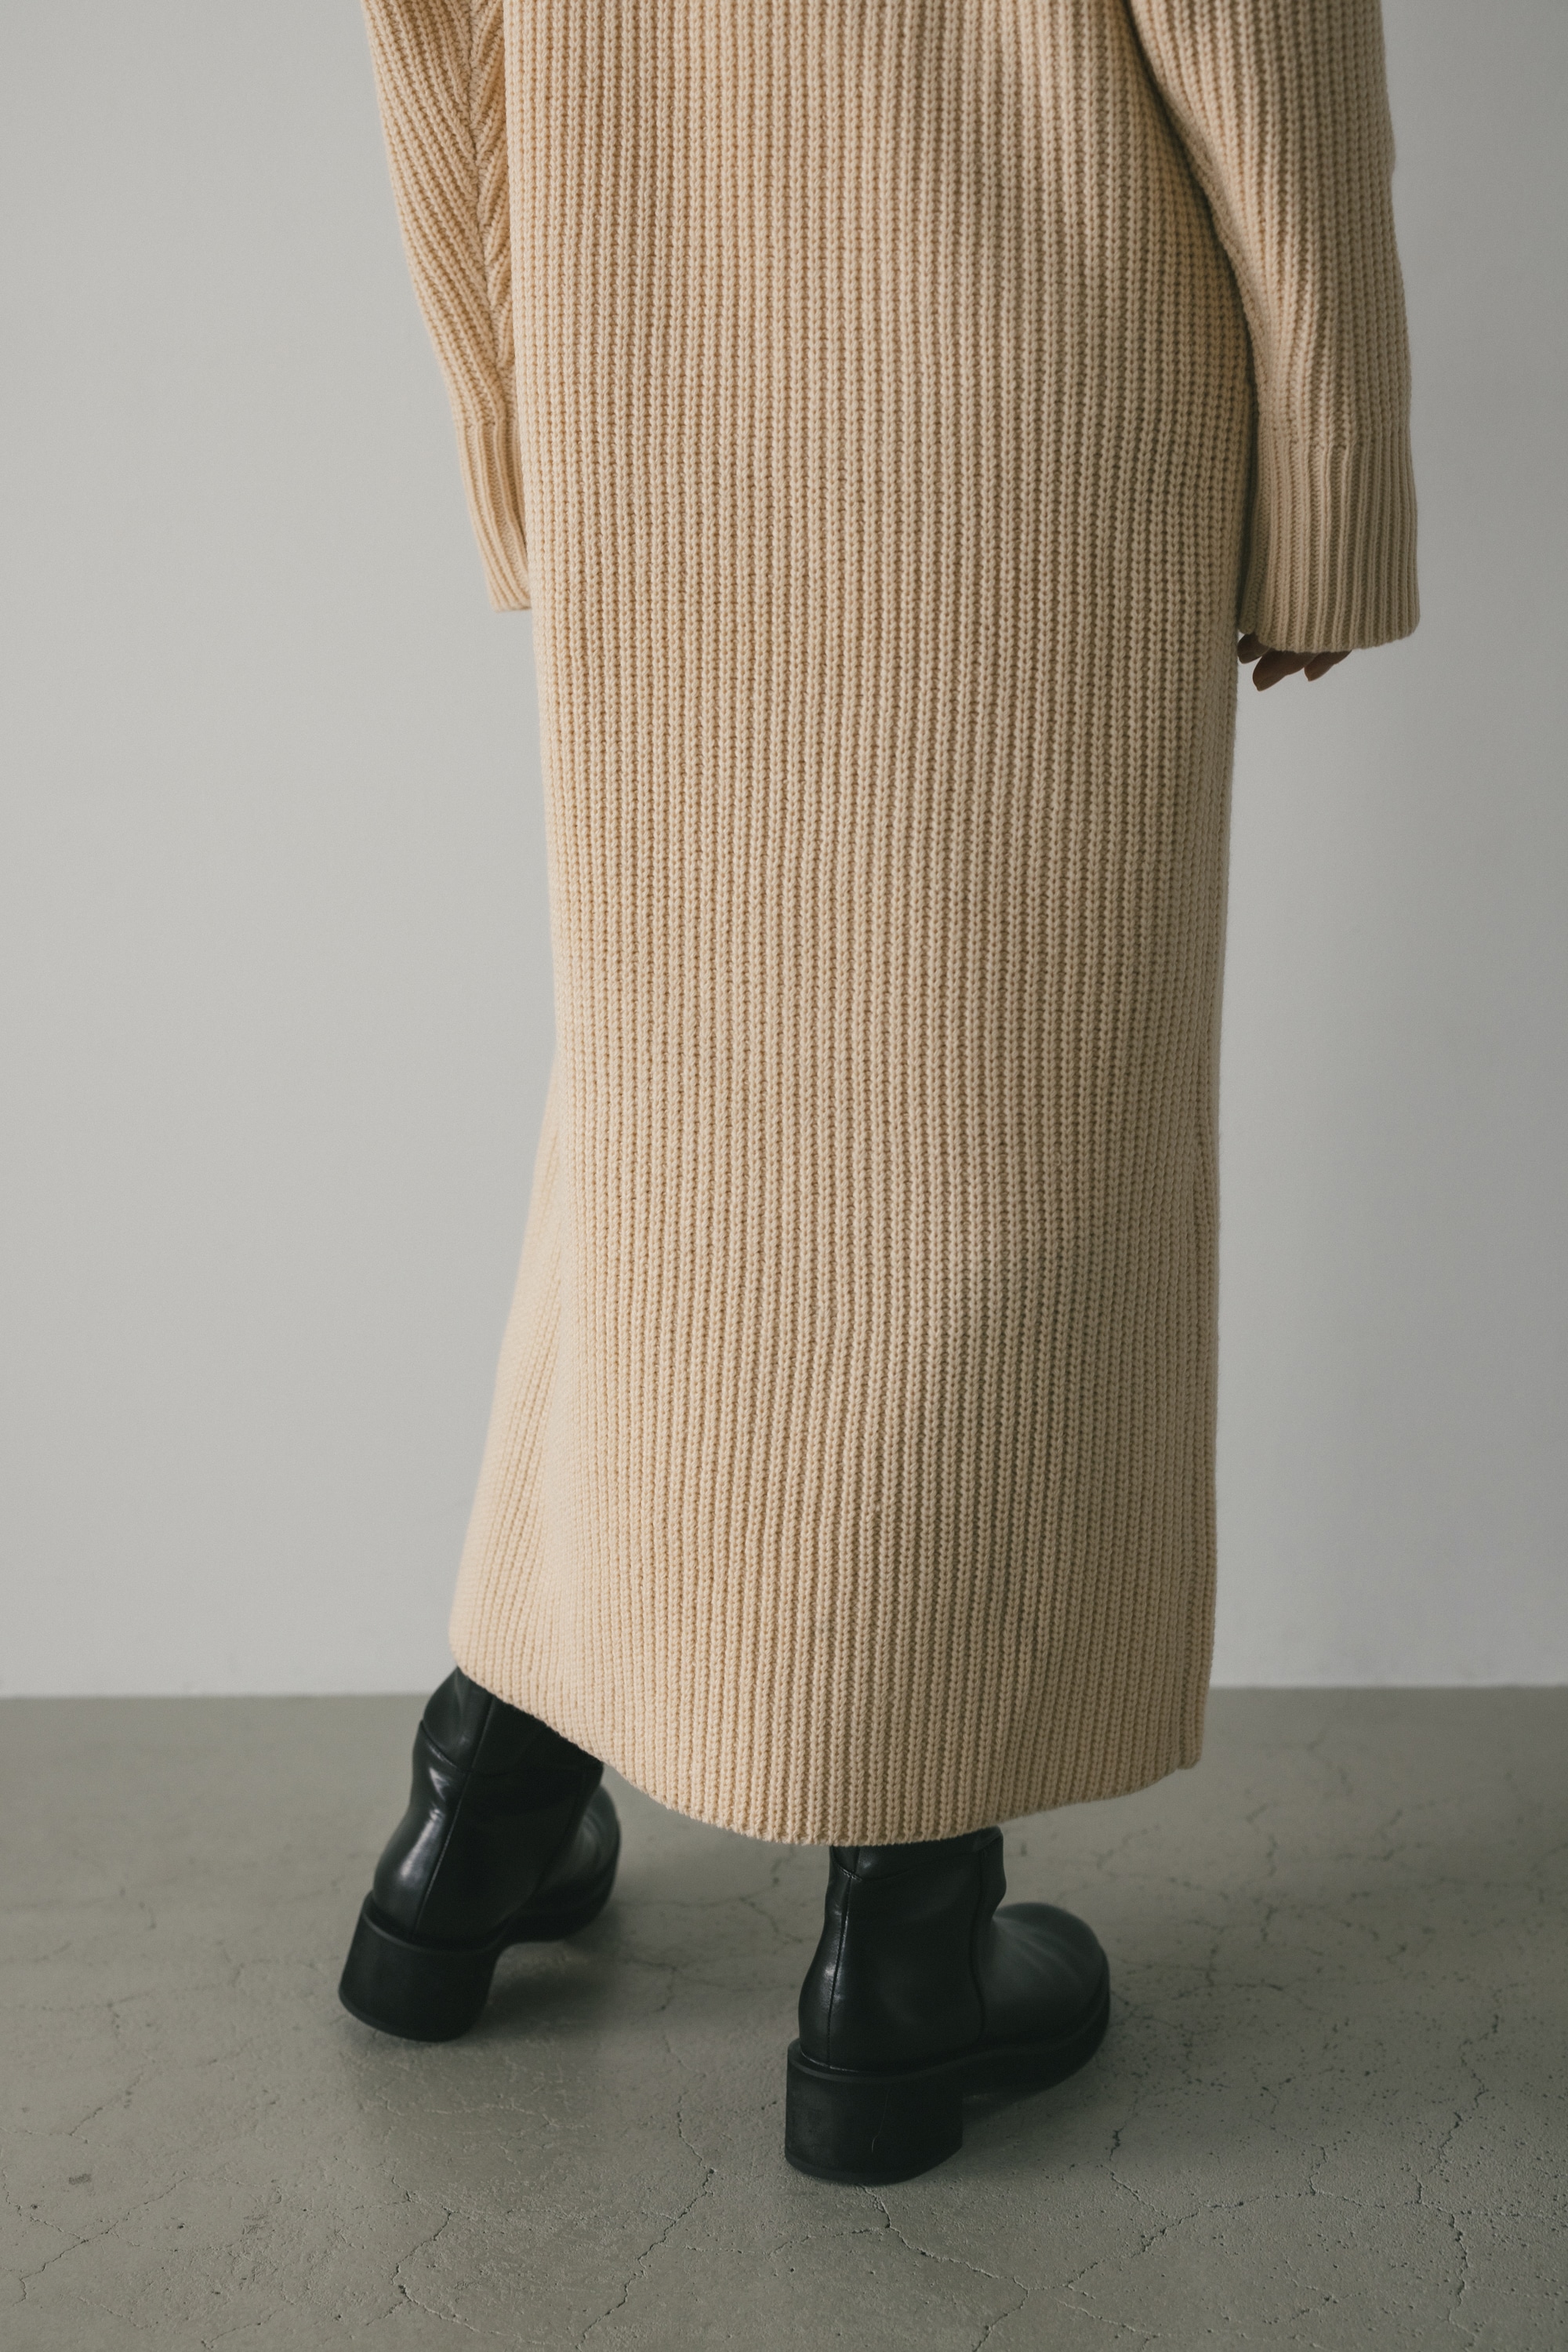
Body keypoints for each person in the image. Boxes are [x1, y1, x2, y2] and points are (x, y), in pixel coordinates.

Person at [338, 0, 1417, 2185]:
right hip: (1030, 382)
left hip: (657, 384)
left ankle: (480, 1814)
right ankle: (901, 1954)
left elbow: (433, 38)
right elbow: (1269, 39)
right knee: (1001, 1147)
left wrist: (525, 440)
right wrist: (1333, 483)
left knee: (678, 1130)